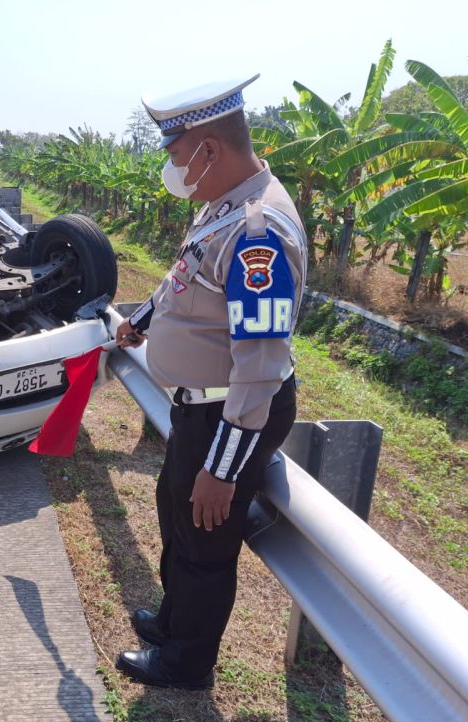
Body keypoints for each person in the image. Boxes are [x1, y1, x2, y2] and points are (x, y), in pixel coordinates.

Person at [113, 75, 307, 689]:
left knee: (202, 543)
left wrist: (222, 469)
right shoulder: (220, 205)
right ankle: (172, 624)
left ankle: (186, 663)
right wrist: (143, 319)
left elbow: (260, 365)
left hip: (232, 415)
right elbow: (187, 281)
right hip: (196, 409)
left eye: (176, 156)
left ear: (209, 150)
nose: (173, 169)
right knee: (176, 519)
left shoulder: (259, 234)